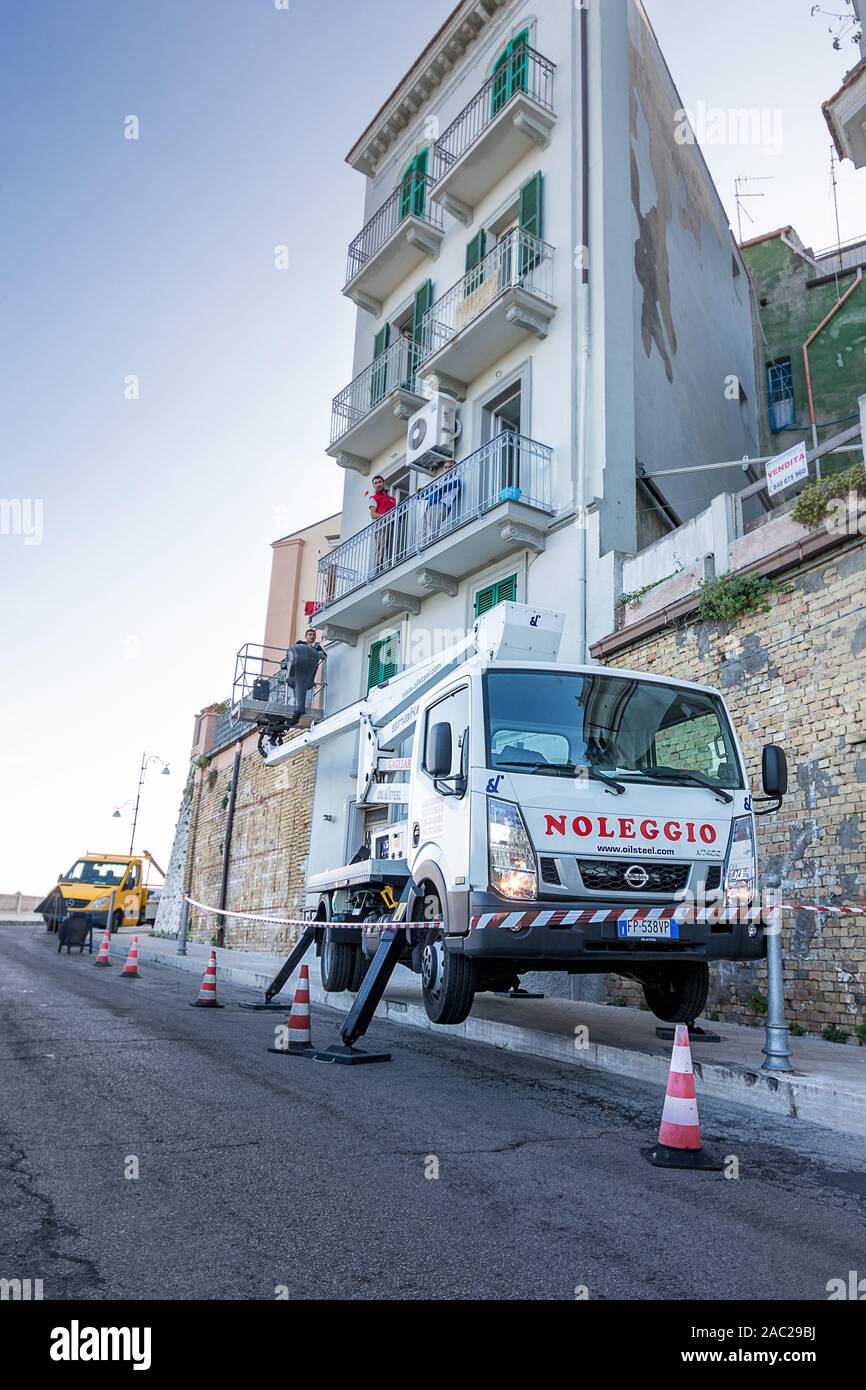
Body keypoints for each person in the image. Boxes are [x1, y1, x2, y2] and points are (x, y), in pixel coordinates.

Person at [369, 475, 396, 574]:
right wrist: (384, 516)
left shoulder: (392, 498)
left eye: (379, 482)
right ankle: (377, 569)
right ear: (373, 485)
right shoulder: (374, 498)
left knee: (391, 546)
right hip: (382, 525)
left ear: (383, 482)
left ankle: (390, 565)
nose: (378, 484)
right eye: (375, 483)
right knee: (380, 546)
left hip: (392, 525)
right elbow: (373, 514)